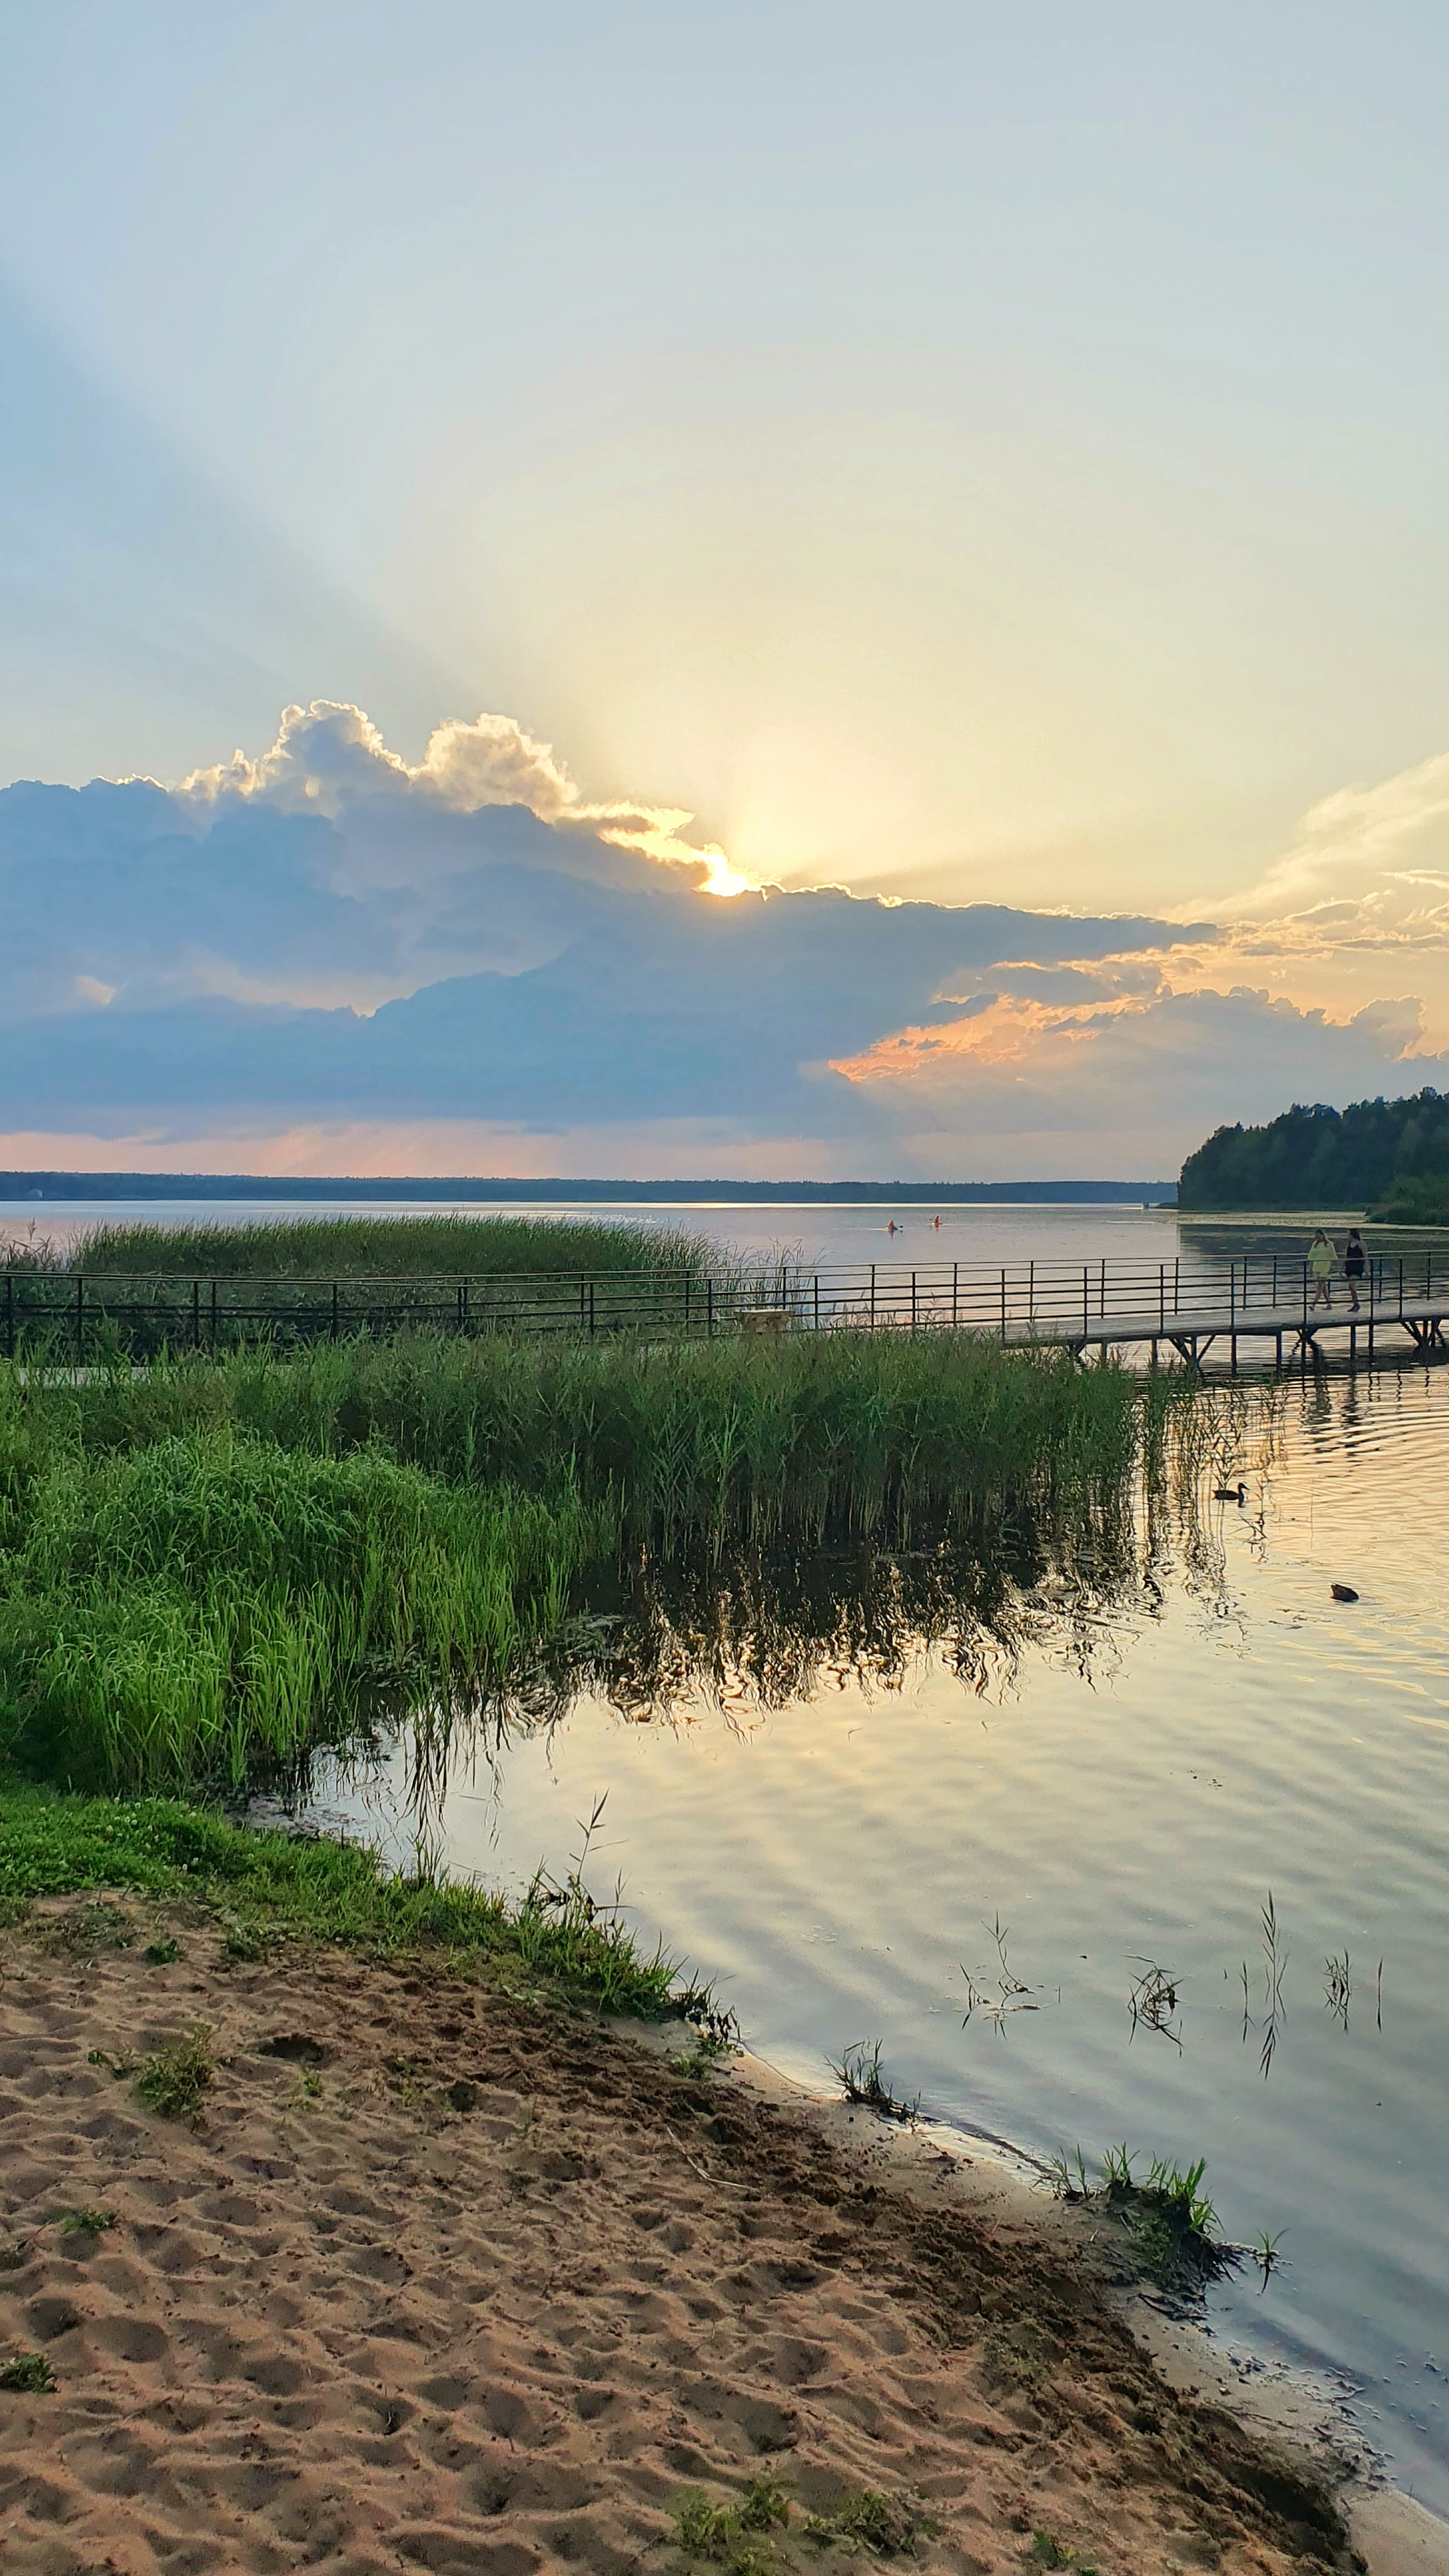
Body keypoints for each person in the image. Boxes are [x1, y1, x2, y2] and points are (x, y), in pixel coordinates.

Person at [1309, 1228, 1335, 1308]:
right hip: (1317, 1267)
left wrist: (1332, 1266)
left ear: (1323, 1235)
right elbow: (1311, 1256)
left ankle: (1314, 1304)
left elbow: (1333, 1256)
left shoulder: (1329, 1244)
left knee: (1320, 1285)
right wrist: (1310, 1267)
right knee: (1323, 1286)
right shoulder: (1315, 1244)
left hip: (1325, 1266)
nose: (1318, 1238)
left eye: (1319, 1236)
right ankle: (1329, 1303)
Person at [1343, 1226, 1366, 1313]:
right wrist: (1341, 1268)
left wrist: (1367, 1269)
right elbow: (1345, 1257)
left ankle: (1356, 1303)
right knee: (1350, 1285)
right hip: (1349, 1267)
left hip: (1357, 1267)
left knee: (1352, 1284)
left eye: (1348, 1234)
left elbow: (1365, 1257)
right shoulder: (1349, 1244)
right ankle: (1355, 1303)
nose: (1347, 1236)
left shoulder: (1361, 1244)